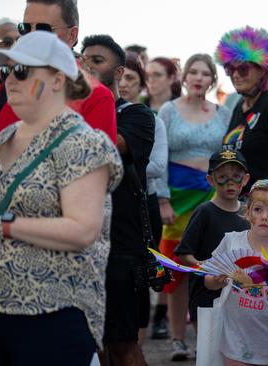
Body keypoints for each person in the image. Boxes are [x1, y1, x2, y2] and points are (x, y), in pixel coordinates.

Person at [0, 31, 122, 366]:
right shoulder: (2, 139)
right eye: (6, 72)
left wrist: (0, 223)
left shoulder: (83, 143)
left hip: (51, 310)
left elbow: (82, 230)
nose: (10, 82)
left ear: (58, 79)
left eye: (22, 72)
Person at [81, 34, 155, 366]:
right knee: (89, 346)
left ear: (120, 71)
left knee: (122, 345)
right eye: (83, 59)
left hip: (121, 247)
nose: (87, 65)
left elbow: (103, 147)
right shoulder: (67, 114)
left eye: (97, 60)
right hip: (78, 240)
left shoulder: (136, 115)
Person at [157, 53, 231, 361]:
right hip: (176, 199)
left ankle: (206, 337)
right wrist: (161, 199)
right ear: (184, 78)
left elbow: (229, 155)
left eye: (205, 73)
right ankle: (177, 339)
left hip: (211, 198)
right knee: (175, 271)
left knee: (210, 267)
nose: (199, 77)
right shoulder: (168, 110)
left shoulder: (223, 113)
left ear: (212, 80)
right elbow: (158, 157)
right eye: (193, 72)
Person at [0, 0, 117, 147]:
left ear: (72, 35)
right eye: (25, 28)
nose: (31, 36)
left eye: (43, 29)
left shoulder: (97, 97)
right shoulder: (8, 89)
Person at [204, 179, 268, 366]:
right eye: (258, 209)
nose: (264, 217)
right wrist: (216, 281)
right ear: (247, 212)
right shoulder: (231, 242)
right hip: (234, 339)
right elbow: (207, 280)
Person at [118, 53, 170, 342]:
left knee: (136, 291)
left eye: (131, 79)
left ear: (142, 85)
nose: (124, 84)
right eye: (121, 77)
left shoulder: (150, 119)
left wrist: (123, 165)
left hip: (141, 207)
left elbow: (158, 166)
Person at [175, 148, 250, 330]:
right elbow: (184, 253)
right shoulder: (204, 212)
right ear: (210, 180)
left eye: (236, 176)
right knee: (208, 353)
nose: (230, 183)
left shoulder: (249, 213)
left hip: (239, 297)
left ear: (246, 179)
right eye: (222, 177)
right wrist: (205, 267)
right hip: (205, 297)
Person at [216, 26, 268, 191]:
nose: (236, 75)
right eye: (230, 69)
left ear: (263, 71)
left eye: (243, 68)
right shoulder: (240, 105)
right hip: (243, 206)